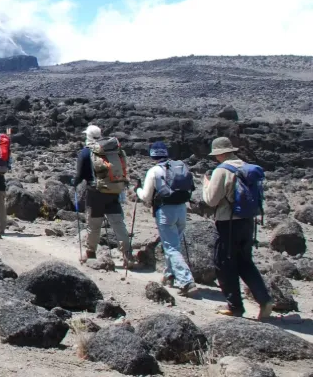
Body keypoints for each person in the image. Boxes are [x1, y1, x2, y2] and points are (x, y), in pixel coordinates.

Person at [203, 137, 273, 319]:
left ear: (220, 153)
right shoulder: (246, 167)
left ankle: (235, 307)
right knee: (245, 262)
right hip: (248, 222)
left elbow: (211, 200)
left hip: (228, 223)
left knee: (224, 264)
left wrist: (206, 184)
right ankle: (264, 300)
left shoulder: (222, 170)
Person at [136, 142, 196, 296]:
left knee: (171, 247)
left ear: (153, 155)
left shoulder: (154, 171)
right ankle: (169, 276)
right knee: (174, 245)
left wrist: (138, 190)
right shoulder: (180, 166)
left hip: (165, 211)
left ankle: (186, 281)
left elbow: (146, 197)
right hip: (182, 209)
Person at [73, 124, 132, 267]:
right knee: (118, 223)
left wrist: (74, 182)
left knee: (94, 224)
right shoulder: (112, 150)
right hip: (113, 190)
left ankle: (90, 253)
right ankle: (127, 255)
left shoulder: (86, 152)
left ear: (87, 136)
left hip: (95, 192)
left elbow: (80, 175)